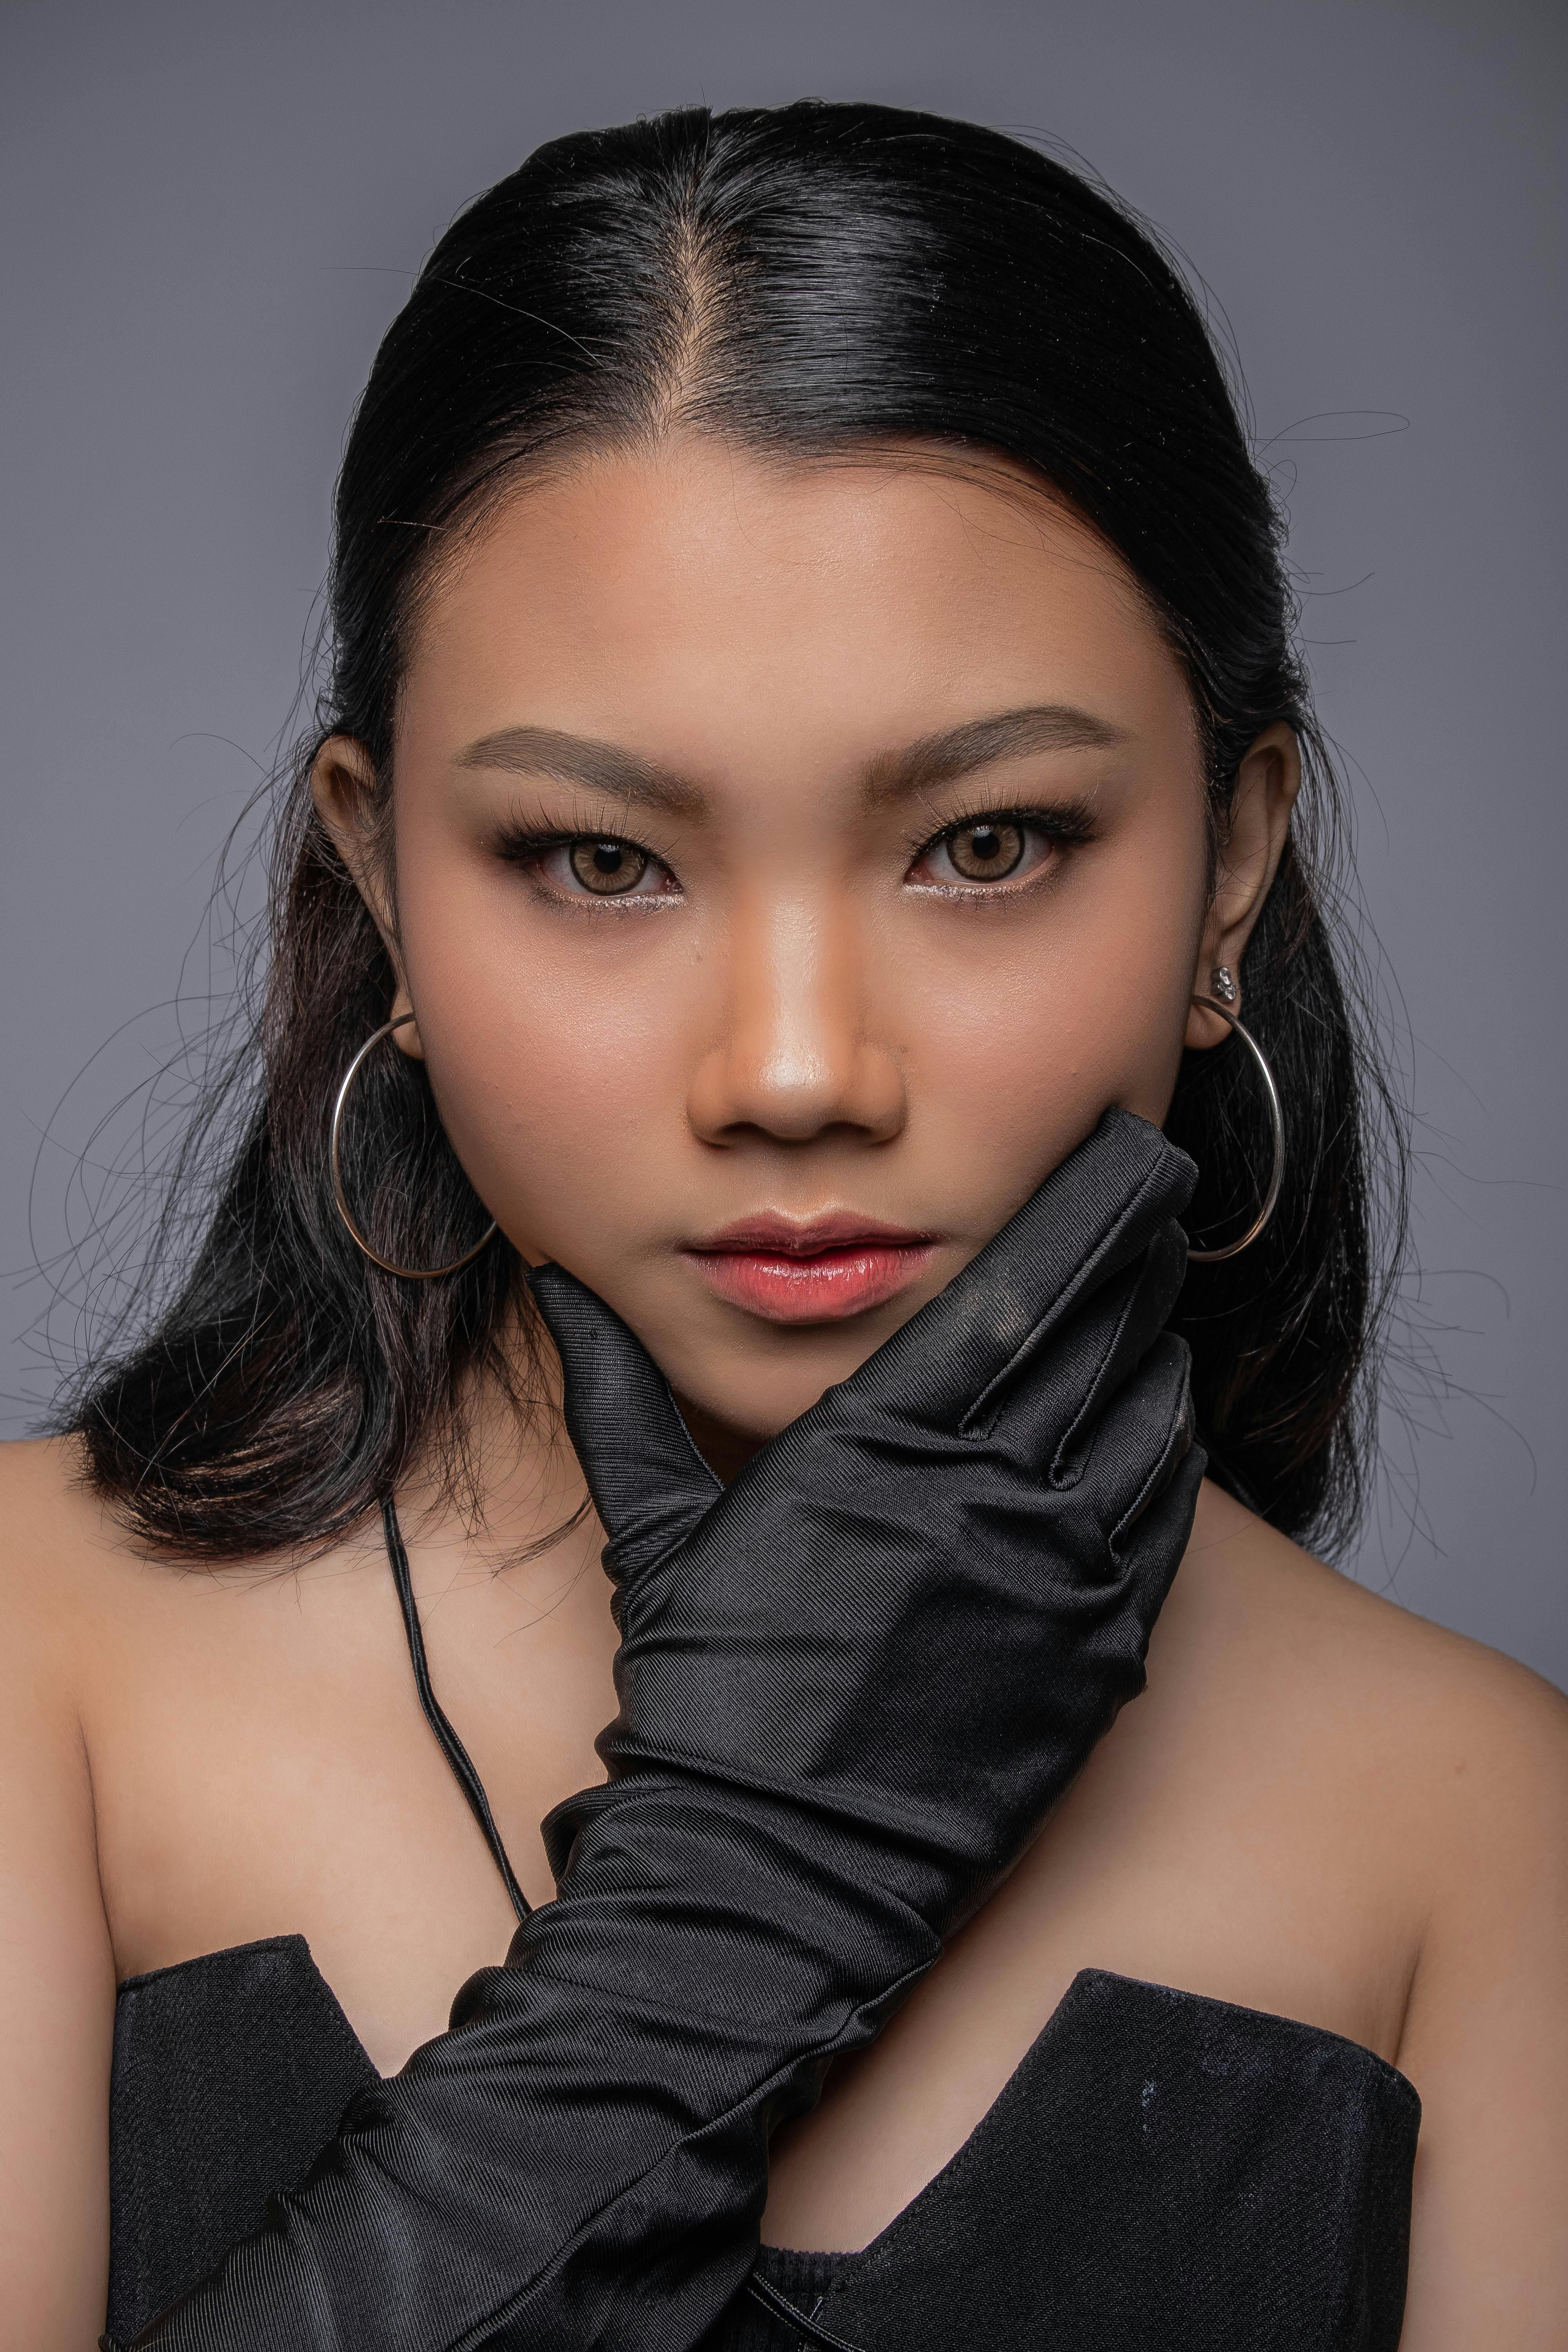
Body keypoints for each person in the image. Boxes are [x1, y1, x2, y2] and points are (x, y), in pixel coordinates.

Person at [1, 100, 1563, 2351]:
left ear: (1232, 857)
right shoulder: (47, 1666)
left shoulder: (1490, 1839)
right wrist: (725, 1915)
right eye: (602, 862)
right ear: (381, 877)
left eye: (989, 843)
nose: (798, 1066)